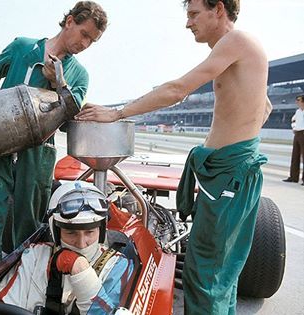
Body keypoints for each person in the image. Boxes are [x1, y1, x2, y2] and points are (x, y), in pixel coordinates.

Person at [75, 0, 272, 314]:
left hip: (228, 176)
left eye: (194, 14)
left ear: (218, 9)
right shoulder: (245, 48)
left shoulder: (235, 41)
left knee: (205, 273)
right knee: (222, 273)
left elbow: (178, 90)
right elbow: (265, 107)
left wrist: (117, 113)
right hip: (230, 170)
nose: (188, 23)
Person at [0, 1, 108, 279]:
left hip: (37, 158)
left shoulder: (79, 74)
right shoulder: (23, 47)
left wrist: (58, 83)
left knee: (28, 234)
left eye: (92, 41)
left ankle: (21, 289)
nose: (85, 44)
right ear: (69, 21)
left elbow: (72, 111)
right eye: (84, 34)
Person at [0, 181, 131, 314]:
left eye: (90, 232)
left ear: (101, 231)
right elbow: (0, 308)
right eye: (71, 233)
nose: (81, 243)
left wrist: (81, 270)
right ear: (56, 231)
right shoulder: (35, 256)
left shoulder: (116, 266)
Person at [283, 94, 304, 185]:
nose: (297, 102)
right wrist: (294, 128)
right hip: (297, 133)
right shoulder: (298, 111)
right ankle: (293, 177)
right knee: (295, 156)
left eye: (298, 100)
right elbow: (293, 120)